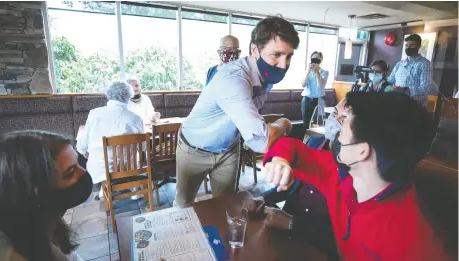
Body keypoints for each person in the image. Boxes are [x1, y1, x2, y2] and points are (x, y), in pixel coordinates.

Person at [262, 91, 453, 261]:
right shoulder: (342, 176)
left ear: (362, 151)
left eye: (345, 121)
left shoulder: (414, 241)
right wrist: (280, 160)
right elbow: (292, 148)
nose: (337, 129)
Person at [174, 16, 298, 206]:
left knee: (226, 206)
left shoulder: (265, 77)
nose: (284, 65)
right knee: (183, 206)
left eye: (288, 56)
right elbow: (262, 141)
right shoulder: (234, 78)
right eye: (277, 55)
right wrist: (284, 123)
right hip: (193, 148)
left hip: (228, 149)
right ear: (255, 50)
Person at [245, 98, 346, 261]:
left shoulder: (352, 171)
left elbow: (340, 238)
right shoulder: (315, 142)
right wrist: (262, 199)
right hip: (285, 227)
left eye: (345, 119)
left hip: (316, 243)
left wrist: (291, 223)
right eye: (334, 114)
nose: (336, 122)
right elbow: (291, 180)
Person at [0, 130, 92, 261]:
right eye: (70, 172)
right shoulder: (6, 256)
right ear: (35, 191)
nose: (83, 173)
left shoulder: (43, 221)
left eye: (78, 163)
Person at [77, 81, 144, 200]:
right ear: (129, 95)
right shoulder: (135, 118)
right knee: (133, 157)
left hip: (100, 167)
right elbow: (142, 147)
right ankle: (134, 187)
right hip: (127, 167)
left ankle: (105, 186)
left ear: (108, 95)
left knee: (99, 158)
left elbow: (83, 143)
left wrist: (83, 151)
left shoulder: (94, 114)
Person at [387, 34, 432, 106]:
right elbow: (390, 80)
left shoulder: (424, 63)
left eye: (412, 45)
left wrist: (404, 90)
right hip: (397, 103)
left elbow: (426, 88)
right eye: (406, 45)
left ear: (418, 46)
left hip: (415, 106)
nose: (408, 47)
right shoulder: (399, 64)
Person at [301, 51, 329, 130]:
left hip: (318, 100)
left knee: (317, 123)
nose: (315, 60)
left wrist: (317, 71)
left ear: (321, 60)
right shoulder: (307, 71)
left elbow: (321, 85)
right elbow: (303, 84)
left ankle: (314, 140)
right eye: (313, 58)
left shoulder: (324, 72)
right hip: (306, 99)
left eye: (317, 58)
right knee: (305, 123)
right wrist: (308, 71)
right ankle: (305, 141)